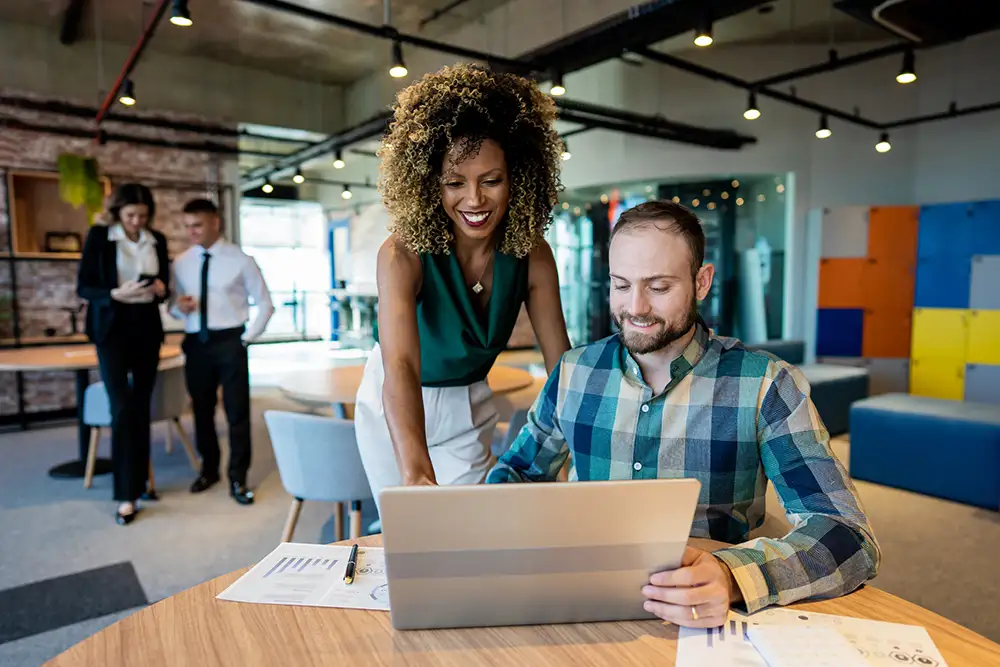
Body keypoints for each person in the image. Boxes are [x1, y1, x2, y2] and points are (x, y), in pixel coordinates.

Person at [487, 200, 881, 627]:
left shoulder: (766, 383)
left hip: (708, 614)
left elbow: (848, 536)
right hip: (586, 604)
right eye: (621, 285)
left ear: (702, 282)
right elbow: (519, 475)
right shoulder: (573, 372)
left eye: (658, 287)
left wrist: (733, 575)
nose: (635, 307)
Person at [354, 63, 572, 513]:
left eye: (491, 180)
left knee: (473, 529)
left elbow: (561, 368)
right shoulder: (402, 256)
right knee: (414, 533)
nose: (474, 200)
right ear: (430, 185)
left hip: (466, 404)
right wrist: (415, 474)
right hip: (393, 406)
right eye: (455, 183)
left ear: (519, 178)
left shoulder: (533, 256)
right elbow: (399, 366)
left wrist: (583, 452)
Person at [170, 198, 274, 505]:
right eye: (187, 226)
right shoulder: (181, 262)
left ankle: (238, 478)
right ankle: (209, 470)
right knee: (201, 411)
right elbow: (174, 309)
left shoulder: (241, 260)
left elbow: (266, 304)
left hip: (231, 341)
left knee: (237, 412)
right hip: (195, 343)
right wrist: (179, 308)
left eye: (197, 225)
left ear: (216, 222)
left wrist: (246, 339)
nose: (192, 232)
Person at [77, 183, 170, 525]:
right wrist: (115, 292)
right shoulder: (101, 237)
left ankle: (142, 483)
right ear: (118, 212)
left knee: (142, 407)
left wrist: (161, 289)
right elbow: (84, 286)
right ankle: (125, 495)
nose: (137, 222)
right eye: (131, 215)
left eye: (143, 216)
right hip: (111, 330)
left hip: (146, 328)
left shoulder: (156, 239)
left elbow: (165, 285)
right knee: (121, 409)